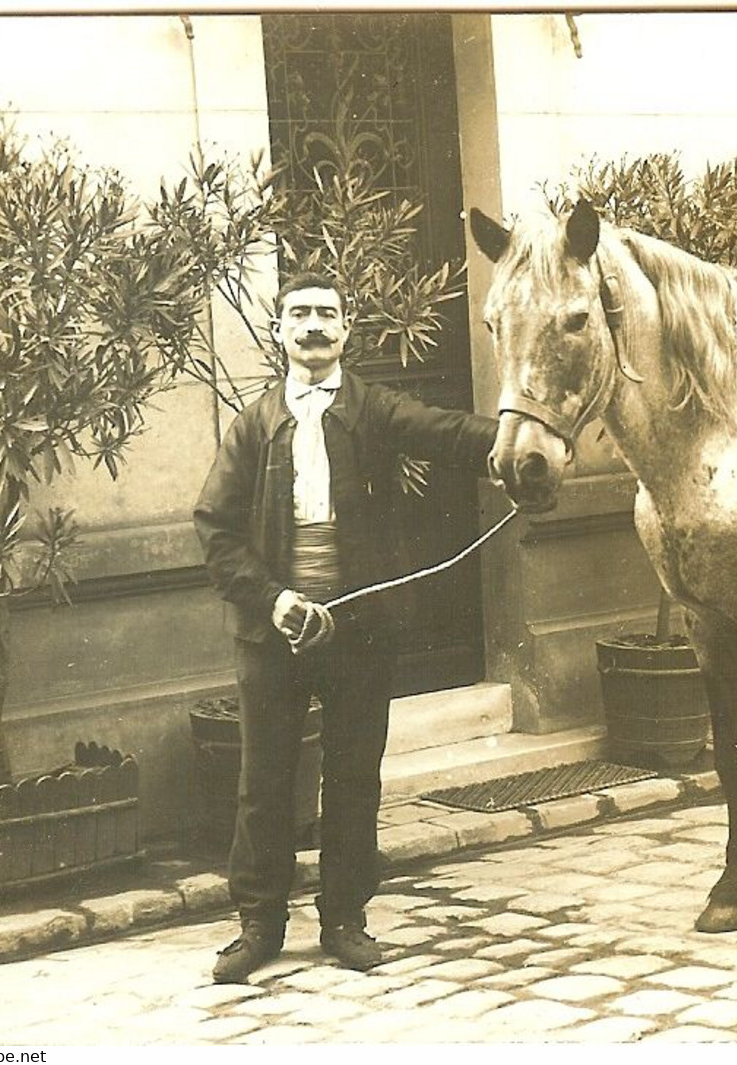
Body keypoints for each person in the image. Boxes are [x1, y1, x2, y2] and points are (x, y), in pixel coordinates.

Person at [193, 271, 499, 983]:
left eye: (326, 315)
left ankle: (344, 919)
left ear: (346, 329)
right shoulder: (255, 423)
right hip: (273, 635)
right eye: (298, 314)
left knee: (354, 776)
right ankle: (259, 926)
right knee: (264, 780)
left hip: (359, 631)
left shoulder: (374, 410)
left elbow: (446, 431)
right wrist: (273, 601)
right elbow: (214, 526)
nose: (312, 327)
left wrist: (516, 443)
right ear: (278, 330)